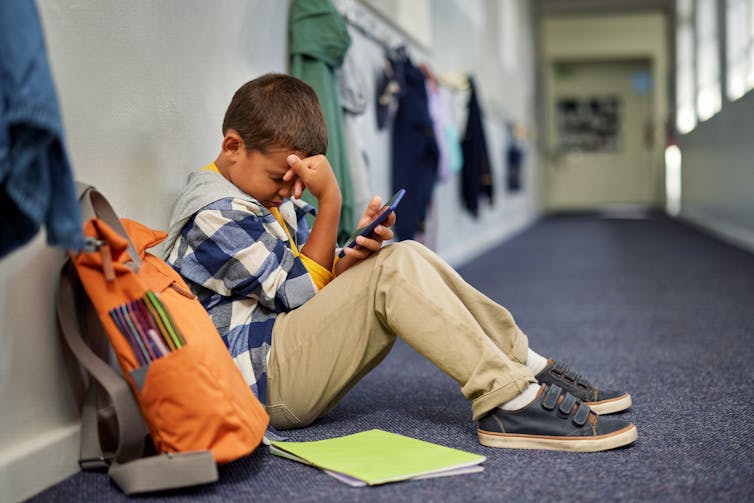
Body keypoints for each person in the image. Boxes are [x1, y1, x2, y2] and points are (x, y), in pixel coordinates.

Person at [163, 73, 637, 452]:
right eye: (279, 179)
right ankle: (508, 401)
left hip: (283, 351)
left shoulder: (256, 194)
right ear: (232, 147)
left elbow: (306, 281)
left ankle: (523, 367)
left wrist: (350, 255)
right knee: (393, 270)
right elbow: (294, 294)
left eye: (297, 182)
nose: (290, 192)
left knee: (399, 254)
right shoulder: (213, 214)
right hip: (263, 381)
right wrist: (331, 201)